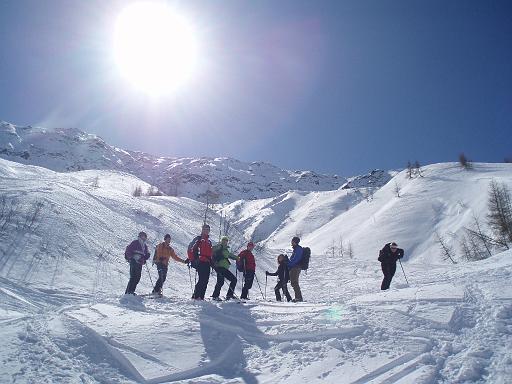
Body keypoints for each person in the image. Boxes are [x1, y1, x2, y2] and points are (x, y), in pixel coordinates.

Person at [188, 224, 213, 300]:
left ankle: (201, 296)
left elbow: (210, 253)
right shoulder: (198, 239)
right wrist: (192, 260)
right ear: (202, 230)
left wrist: (212, 262)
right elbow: (190, 249)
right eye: (205, 229)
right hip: (200, 261)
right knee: (202, 279)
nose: (206, 231)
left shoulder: (209, 242)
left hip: (207, 262)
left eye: (208, 229)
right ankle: (195, 296)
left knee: (206, 280)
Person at [211, 236, 239, 300]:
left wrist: (238, 258)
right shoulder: (219, 247)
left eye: (226, 240)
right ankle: (216, 296)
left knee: (232, 280)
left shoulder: (225, 249)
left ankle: (228, 295)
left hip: (224, 268)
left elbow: (229, 255)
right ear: (221, 241)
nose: (225, 241)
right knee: (222, 281)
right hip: (219, 267)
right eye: (223, 240)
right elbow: (211, 249)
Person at [287, 236, 304, 302]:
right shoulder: (296, 249)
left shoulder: (298, 249)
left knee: (294, 282)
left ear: (295, 242)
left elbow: (295, 260)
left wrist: (288, 263)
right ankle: (298, 297)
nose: (291, 242)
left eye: (292, 241)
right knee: (294, 282)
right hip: (294, 267)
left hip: (296, 267)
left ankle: (298, 298)